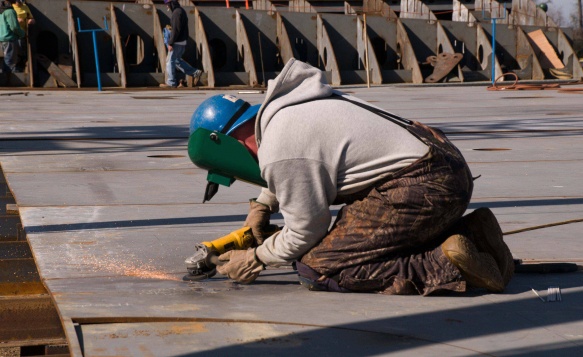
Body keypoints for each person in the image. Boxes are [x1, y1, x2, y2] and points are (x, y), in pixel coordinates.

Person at [189, 59, 514, 295]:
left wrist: (256, 257)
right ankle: (471, 234)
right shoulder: (288, 110)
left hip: (422, 187)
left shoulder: (280, 149)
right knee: (358, 240)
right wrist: (263, 205)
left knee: (317, 267)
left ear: (224, 143)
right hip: (444, 166)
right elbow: (309, 158)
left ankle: (444, 262)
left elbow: (306, 231)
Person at [160, 0, 202, 88]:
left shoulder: (176, 13)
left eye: (167, 4)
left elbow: (176, 30)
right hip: (182, 41)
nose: (167, 6)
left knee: (169, 61)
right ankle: (195, 72)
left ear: (171, 3)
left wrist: (170, 42)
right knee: (176, 60)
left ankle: (171, 82)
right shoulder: (181, 11)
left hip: (176, 42)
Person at [0, 0, 24, 73]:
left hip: (2, 39)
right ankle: (7, 78)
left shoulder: (1, 12)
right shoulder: (10, 12)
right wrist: (22, 34)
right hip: (9, 39)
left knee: (6, 59)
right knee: (10, 61)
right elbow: (14, 27)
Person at [11, 0, 34, 71]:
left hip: (22, 33)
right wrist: (16, 20)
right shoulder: (10, 8)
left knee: (21, 46)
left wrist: (31, 20)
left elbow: (31, 17)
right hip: (12, 33)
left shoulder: (25, 7)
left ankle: (21, 63)